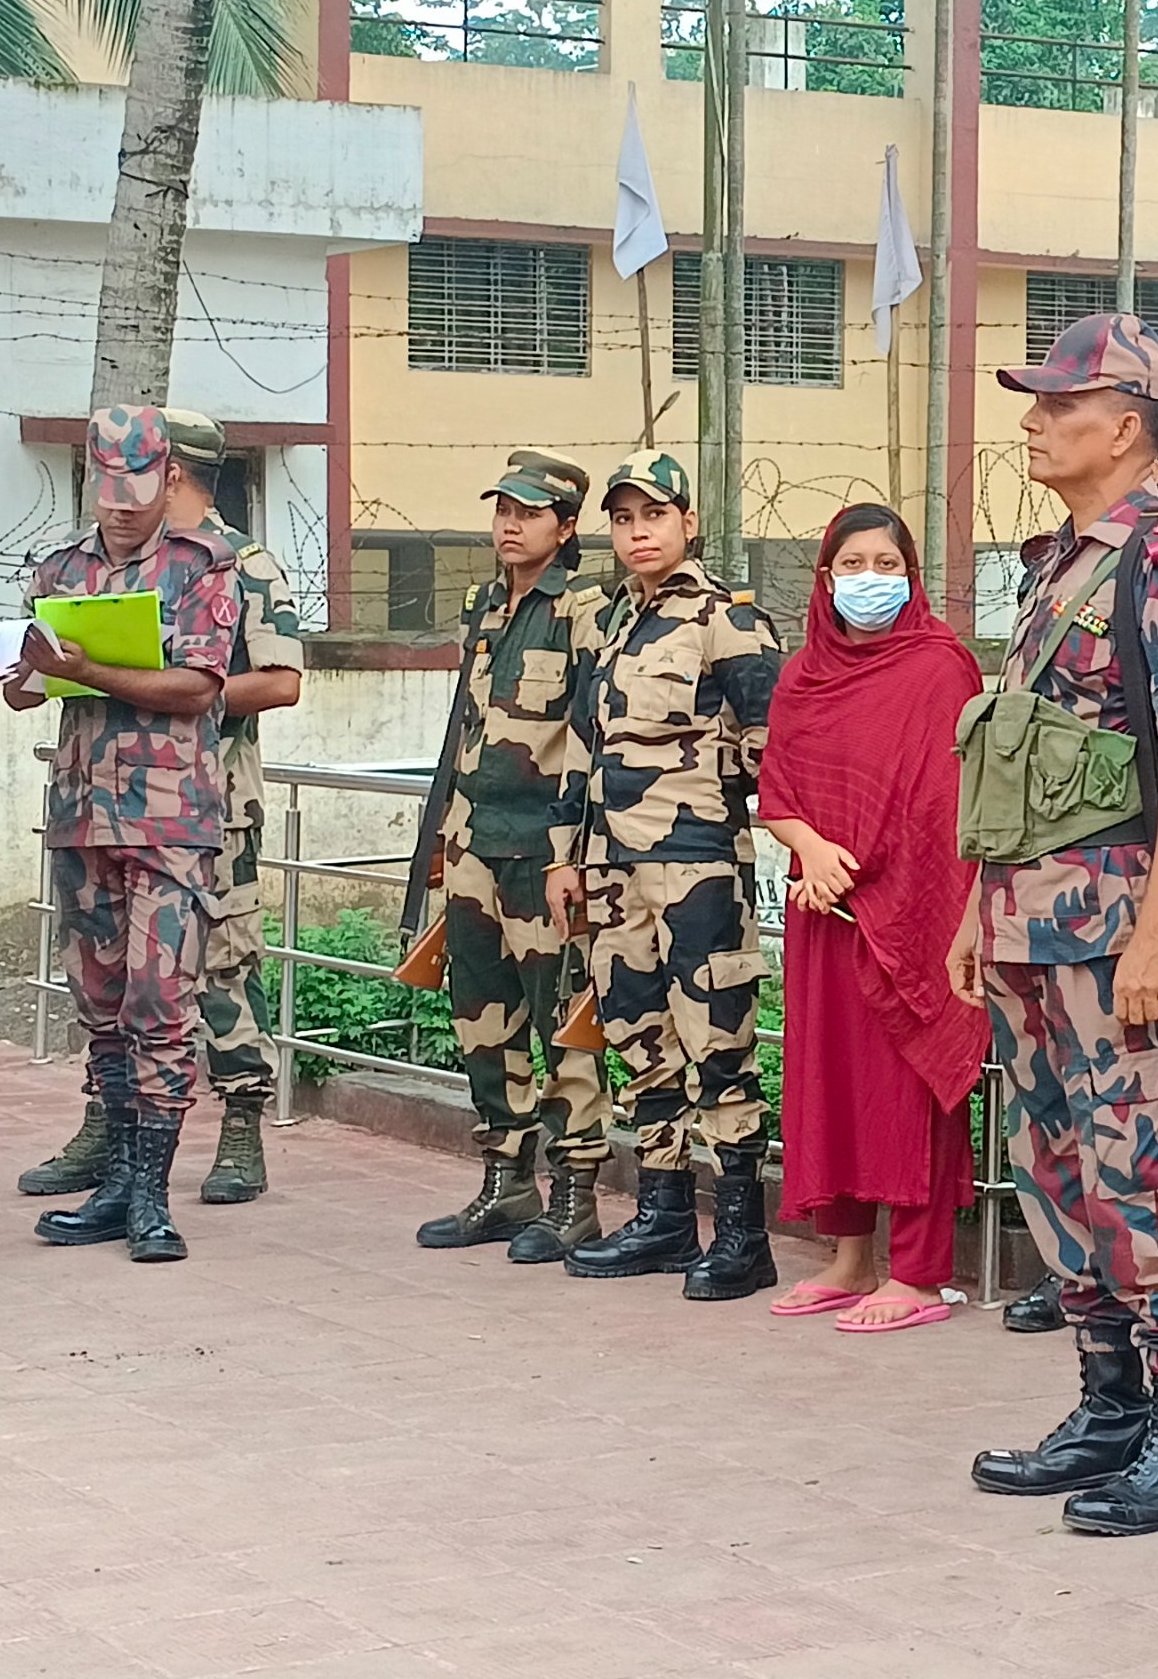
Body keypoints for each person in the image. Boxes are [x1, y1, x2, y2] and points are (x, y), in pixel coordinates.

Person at [957, 311, 1158, 1536]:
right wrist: (977, 911)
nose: (1031, 420)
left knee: (1144, 1171)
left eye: (1056, 403)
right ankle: (1109, 1406)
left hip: (1112, 927)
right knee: (1058, 1171)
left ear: (1125, 426)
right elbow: (1017, 766)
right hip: (1031, 926)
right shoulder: (1057, 563)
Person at [7, 405, 242, 1264]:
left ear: (167, 477)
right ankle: (113, 1180)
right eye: (105, 486)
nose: (119, 504)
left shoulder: (202, 566)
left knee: (161, 1004)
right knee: (102, 1006)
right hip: (81, 816)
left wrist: (88, 669)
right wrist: (26, 669)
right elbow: (24, 691)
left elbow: (197, 688)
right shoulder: (59, 568)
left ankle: (153, 1195)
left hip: (169, 822)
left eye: (136, 487)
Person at [553, 449, 785, 1298]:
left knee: (718, 1047)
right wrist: (569, 857)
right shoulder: (610, 624)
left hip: (699, 871)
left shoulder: (730, 621)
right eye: (621, 518)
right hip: (615, 870)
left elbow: (773, 749)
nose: (636, 532)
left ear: (688, 520)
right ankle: (661, 1216)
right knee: (640, 1043)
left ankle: (742, 1235)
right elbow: (584, 748)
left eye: (652, 514)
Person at [756, 503, 987, 1334]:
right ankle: (849, 1260)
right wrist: (813, 852)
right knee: (832, 1082)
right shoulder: (801, 674)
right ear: (825, 578)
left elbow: (943, 799)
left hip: (914, 912)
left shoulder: (940, 665)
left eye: (888, 565)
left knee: (910, 1081)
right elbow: (777, 787)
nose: (870, 581)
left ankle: (919, 1275)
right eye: (852, 565)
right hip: (823, 904)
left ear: (913, 575)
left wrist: (868, 877)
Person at [411, 451, 614, 1260]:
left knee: (563, 1024)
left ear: (565, 528)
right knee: (482, 1020)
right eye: (503, 509)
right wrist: (442, 840)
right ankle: (506, 1177)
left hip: (546, 851)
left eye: (529, 513)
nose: (508, 524)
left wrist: (583, 851)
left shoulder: (586, 611)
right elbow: (465, 731)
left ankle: (574, 1194)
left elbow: (595, 738)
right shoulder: (486, 606)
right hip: (474, 844)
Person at [168, 411, 313, 1203]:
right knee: (118, 969)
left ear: (173, 473)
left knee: (224, 959)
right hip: (126, 800)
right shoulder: (124, 566)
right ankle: (106, 1120)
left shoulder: (243, 565)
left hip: (212, 799)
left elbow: (283, 679)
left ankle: (241, 1126)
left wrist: (182, 697)